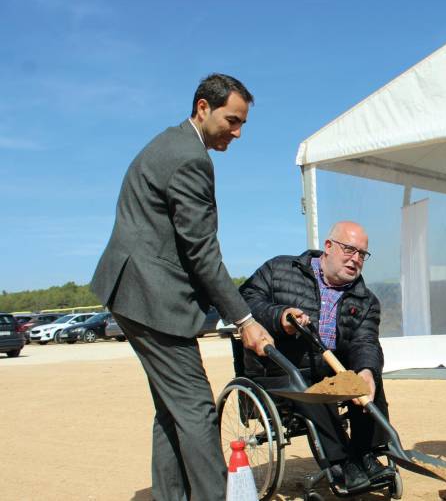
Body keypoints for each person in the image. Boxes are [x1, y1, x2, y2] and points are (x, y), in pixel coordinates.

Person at [91, 73, 273, 500]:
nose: (238, 132)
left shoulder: (168, 144)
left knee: (171, 410)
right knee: (196, 408)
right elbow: (201, 251)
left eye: (242, 123)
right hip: (153, 299)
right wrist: (244, 318)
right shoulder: (190, 158)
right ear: (203, 108)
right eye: (232, 120)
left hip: (133, 292)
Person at [239, 221, 392, 491]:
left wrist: (366, 371)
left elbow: (365, 341)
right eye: (349, 249)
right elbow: (246, 298)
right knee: (311, 386)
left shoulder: (366, 300)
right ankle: (342, 464)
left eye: (362, 254)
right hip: (278, 369)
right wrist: (280, 315)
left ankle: (368, 454)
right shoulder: (279, 270)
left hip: (327, 370)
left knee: (368, 378)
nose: (355, 259)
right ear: (329, 247)